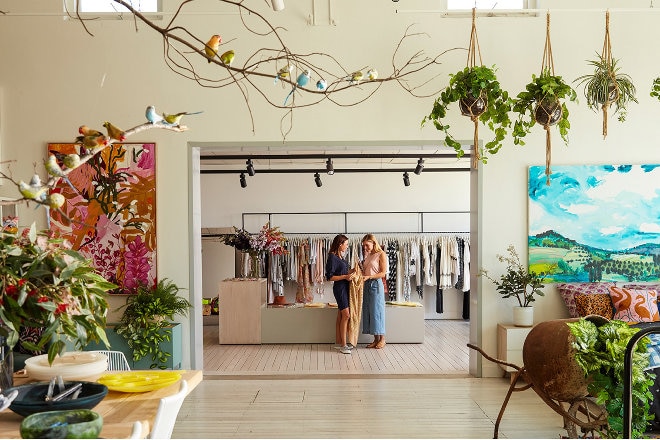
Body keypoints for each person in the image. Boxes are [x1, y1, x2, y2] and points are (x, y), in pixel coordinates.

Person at [325, 234, 353, 354]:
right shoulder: (332, 257)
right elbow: (330, 277)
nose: (347, 246)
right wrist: (345, 276)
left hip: (345, 287)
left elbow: (344, 272)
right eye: (346, 244)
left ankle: (339, 342)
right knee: (346, 315)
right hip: (340, 289)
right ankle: (344, 345)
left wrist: (353, 271)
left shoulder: (340, 257)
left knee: (341, 315)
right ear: (340, 244)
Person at [361, 233, 388, 349]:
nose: (365, 248)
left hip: (376, 284)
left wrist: (370, 277)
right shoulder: (368, 255)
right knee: (370, 312)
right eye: (364, 246)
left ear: (373, 242)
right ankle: (375, 339)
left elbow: (383, 273)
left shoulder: (381, 254)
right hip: (367, 284)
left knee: (377, 311)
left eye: (367, 245)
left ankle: (382, 339)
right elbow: (367, 270)